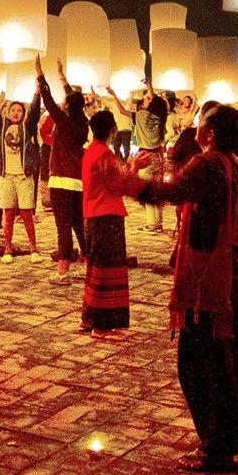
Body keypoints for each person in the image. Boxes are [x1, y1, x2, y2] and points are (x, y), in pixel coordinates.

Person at [127, 106, 238, 473]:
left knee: (198, 362)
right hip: (227, 269)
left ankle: (215, 447)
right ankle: (230, 437)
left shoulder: (208, 164)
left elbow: (167, 193)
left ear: (212, 133)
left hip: (207, 276)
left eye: (203, 122)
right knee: (224, 355)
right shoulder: (236, 164)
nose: (197, 126)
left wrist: (125, 181)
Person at [80, 109, 133, 336]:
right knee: (107, 270)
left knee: (96, 267)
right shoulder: (104, 154)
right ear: (112, 130)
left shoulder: (91, 151)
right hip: (107, 216)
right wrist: (134, 168)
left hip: (94, 214)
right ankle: (101, 326)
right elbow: (119, 185)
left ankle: (90, 318)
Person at [35, 59, 88, 274]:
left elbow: (47, 100)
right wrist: (62, 76)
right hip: (78, 180)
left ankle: (63, 269)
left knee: (63, 225)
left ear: (67, 105)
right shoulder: (82, 121)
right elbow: (74, 100)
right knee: (78, 223)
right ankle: (88, 261)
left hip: (60, 179)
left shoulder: (63, 120)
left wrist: (40, 74)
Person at [0, 93, 40, 258]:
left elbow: (34, 112)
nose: (16, 113)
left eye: (19, 110)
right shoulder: (2, 127)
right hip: (7, 177)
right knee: (8, 213)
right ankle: (8, 248)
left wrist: (36, 93)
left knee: (27, 214)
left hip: (24, 177)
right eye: (13, 110)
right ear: (8, 112)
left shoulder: (27, 128)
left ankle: (33, 248)